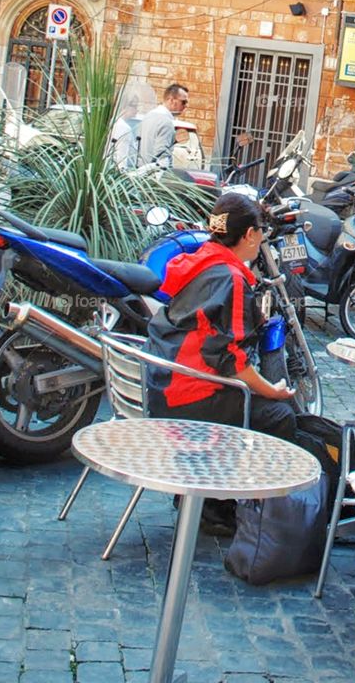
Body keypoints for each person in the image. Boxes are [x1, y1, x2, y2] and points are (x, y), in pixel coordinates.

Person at [146, 192, 298, 531]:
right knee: (279, 417)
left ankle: (199, 495)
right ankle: (219, 507)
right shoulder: (231, 278)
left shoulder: (196, 261)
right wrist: (271, 391)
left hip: (162, 387)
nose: (262, 238)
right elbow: (231, 360)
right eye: (261, 230)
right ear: (248, 235)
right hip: (188, 400)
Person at [137, 82, 189, 168]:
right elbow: (162, 157)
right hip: (153, 174)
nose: (186, 106)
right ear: (171, 100)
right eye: (183, 102)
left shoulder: (148, 116)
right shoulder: (166, 122)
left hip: (141, 171)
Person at [110, 93, 140, 169]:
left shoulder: (113, 122)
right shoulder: (123, 127)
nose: (137, 110)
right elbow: (121, 157)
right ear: (125, 106)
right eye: (135, 106)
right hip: (116, 172)